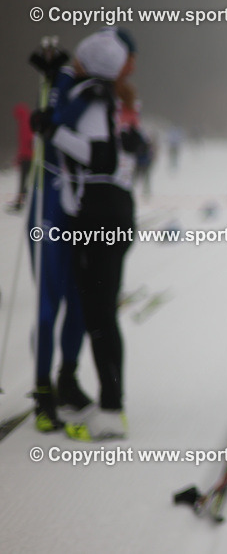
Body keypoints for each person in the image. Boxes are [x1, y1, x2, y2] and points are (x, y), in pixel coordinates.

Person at [31, 27, 140, 441]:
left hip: (101, 215)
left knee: (99, 314)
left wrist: (51, 131)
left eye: (78, 62)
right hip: (104, 213)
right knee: (97, 312)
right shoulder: (102, 94)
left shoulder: (95, 97)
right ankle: (106, 400)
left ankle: (112, 408)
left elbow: (100, 155)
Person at [24, 37, 90, 432]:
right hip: (47, 202)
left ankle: (67, 376)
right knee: (48, 306)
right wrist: (52, 82)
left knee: (79, 301)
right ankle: (43, 390)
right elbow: (49, 126)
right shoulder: (66, 82)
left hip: (76, 208)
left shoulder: (92, 91)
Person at [8, 103, 33, 212]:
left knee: (24, 181)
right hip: (26, 156)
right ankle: (22, 202)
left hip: (27, 157)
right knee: (25, 181)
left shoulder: (24, 122)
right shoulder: (26, 121)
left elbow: (27, 141)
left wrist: (22, 156)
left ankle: (21, 203)